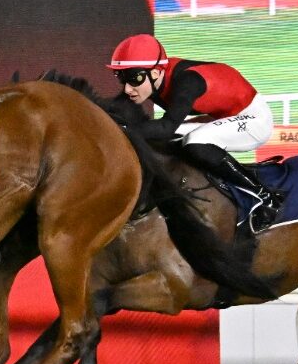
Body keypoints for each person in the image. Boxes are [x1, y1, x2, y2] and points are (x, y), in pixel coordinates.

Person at [107, 34, 282, 230]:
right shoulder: (150, 78)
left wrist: (119, 129)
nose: (128, 88)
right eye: (122, 78)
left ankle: (266, 197)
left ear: (156, 73)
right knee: (167, 139)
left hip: (255, 119)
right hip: (222, 114)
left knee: (195, 142)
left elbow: (166, 127)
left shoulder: (187, 82)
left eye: (134, 79)